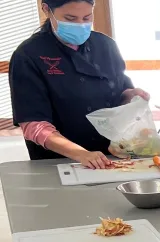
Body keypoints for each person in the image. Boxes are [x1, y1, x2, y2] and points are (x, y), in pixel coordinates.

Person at [9, 0, 150, 168]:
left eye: (86, 17)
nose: (80, 25)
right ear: (47, 9)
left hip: (113, 156)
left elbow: (120, 91)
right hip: (58, 161)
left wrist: (132, 95)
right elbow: (34, 125)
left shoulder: (105, 46)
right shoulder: (28, 55)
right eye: (70, 18)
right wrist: (79, 153)